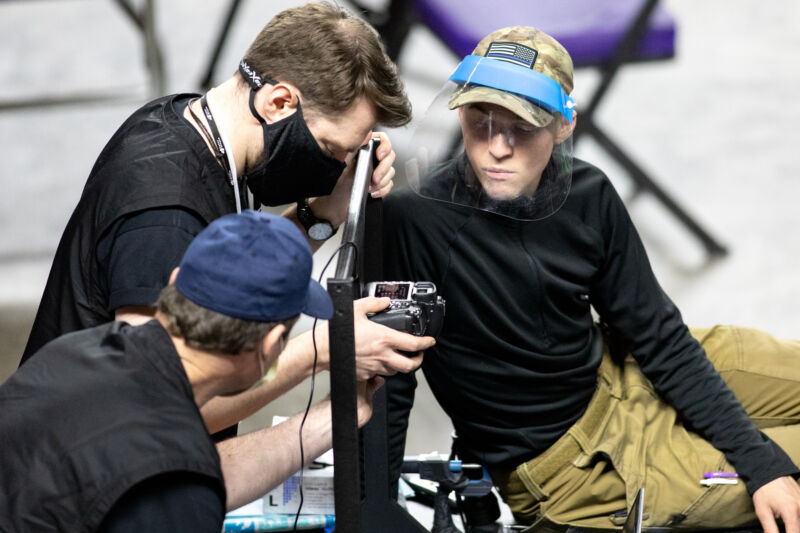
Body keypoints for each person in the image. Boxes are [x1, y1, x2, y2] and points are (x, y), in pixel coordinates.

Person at [383, 26, 800, 532]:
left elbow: (658, 334)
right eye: (480, 120)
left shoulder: (588, 194)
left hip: (619, 370)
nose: (496, 147)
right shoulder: (414, 221)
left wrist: (758, 459)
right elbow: (389, 381)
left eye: (523, 126)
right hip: (570, 466)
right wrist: (376, 512)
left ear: (563, 125)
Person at [20, 1, 432, 436]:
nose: (335, 166)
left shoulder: (194, 126)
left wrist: (325, 211)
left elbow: (235, 276)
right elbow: (158, 405)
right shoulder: (165, 216)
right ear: (278, 102)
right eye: (331, 150)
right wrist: (324, 350)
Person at [0, 210, 387, 532]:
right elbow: (175, 478)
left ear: (174, 283)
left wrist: (331, 417)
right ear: (269, 348)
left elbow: (196, 473)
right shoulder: (174, 484)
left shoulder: (70, 354)